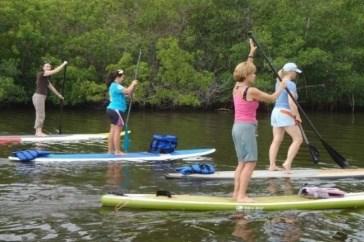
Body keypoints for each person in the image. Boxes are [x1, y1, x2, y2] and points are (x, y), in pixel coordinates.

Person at [232, 39, 286, 203]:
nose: (255, 75)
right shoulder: (251, 90)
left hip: (236, 128)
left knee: (242, 162)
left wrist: (251, 53)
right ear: (247, 76)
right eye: (253, 73)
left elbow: (246, 68)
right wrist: (282, 86)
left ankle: (236, 194)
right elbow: (270, 99)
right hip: (246, 128)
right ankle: (241, 196)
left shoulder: (236, 86)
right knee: (250, 162)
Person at [268, 63, 303, 172]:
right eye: (295, 72)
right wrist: (297, 116)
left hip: (275, 112)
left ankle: (272, 165)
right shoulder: (291, 84)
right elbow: (291, 103)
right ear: (291, 72)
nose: (296, 74)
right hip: (285, 112)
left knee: (277, 139)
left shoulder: (279, 82)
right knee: (298, 139)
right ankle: (287, 163)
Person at [106, 69, 138, 155]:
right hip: (117, 110)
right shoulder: (116, 86)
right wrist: (133, 84)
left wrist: (133, 88)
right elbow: (127, 90)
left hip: (111, 110)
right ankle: (117, 151)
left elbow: (128, 93)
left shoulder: (113, 86)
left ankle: (110, 151)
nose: (123, 79)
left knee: (112, 130)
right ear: (117, 77)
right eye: (122, 77)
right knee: (117, 130)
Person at [32, 61, 68, 136]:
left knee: (41, 114)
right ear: (43, 68)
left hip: (40, 97)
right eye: (47, 66)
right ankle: (38, 132)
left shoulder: (46, 79)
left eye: (49, 67)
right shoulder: (41, 74)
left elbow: (52, 88)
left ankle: (38, 132)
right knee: (41, 114)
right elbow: (55, 71)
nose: (48, 67)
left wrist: (59, 96)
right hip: (39, 96)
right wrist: (63, 64)